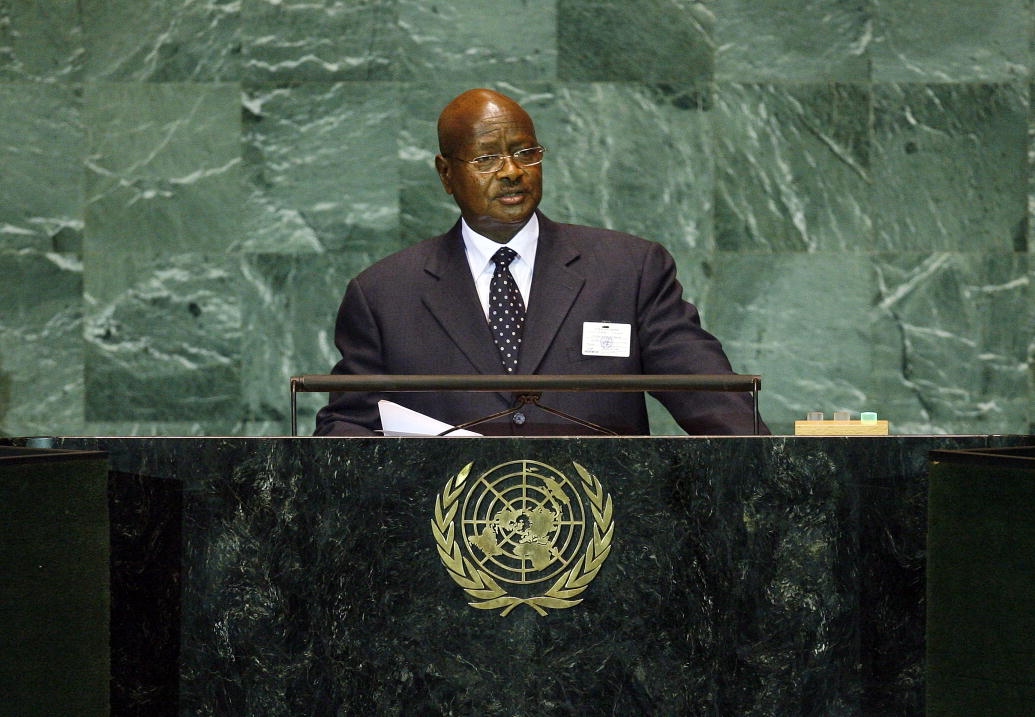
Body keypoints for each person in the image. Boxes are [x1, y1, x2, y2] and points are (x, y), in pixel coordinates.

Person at [314, 88, 768, 436]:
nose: (512, 170)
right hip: (447, 539)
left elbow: (709, 395)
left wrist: (781, 470)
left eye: (525, 152)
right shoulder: (384, 295)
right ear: (446, 174)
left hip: (604, 536)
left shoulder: (628, 270)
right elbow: (349, 429)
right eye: (487, 157)